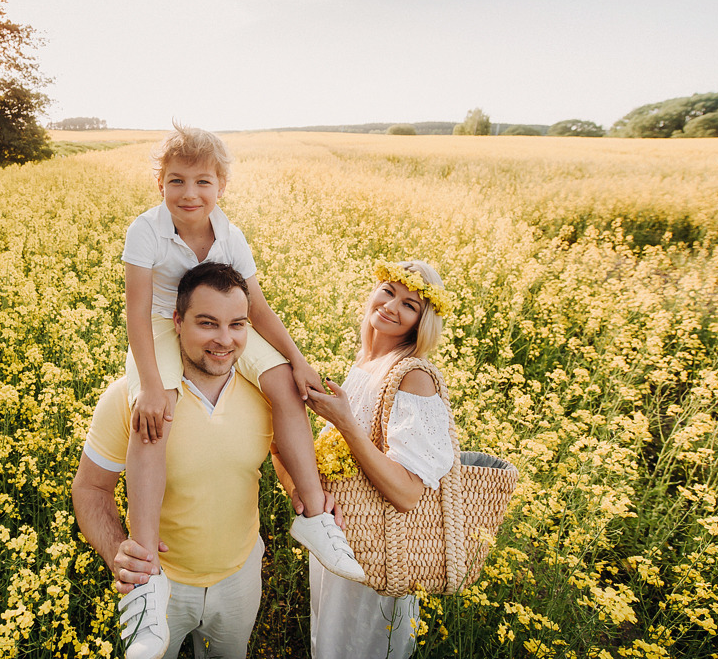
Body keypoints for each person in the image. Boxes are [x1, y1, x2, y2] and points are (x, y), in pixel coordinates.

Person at [116, 125, 363, 658]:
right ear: (159, 182)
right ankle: (145, 577)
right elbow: (137, 312)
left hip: (223, 323)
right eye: (176, 180)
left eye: (203, 181)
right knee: (154, 413)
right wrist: (154, 385)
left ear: (221, 186)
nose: (189, 193)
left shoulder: (230, 234)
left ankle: (316, 517)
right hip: (166, 324)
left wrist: (296, 359)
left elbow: (255, 305)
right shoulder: (145, 230)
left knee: (282, 385)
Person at [73, 263, 344, 659]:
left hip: (241, 577)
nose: (224, 340)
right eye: (207, 323)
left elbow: (277, 448)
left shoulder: (266, 394)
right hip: (159, 585)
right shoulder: (133, 398)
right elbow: (91, 487)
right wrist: (119, 551)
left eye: (237, 325)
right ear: (177, 322)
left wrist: (298, 492)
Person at [274, 259, 456, 659]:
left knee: (361, 646)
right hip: (344, 537)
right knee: (331, 644)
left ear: (420, 323)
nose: (392, 306)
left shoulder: (414, 376)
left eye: (409, 305)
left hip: (381, 549)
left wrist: (344, 422)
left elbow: (408, 493)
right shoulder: (366, 364)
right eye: (389, 291)